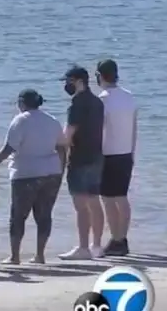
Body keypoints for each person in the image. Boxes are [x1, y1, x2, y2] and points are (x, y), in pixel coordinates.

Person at [0, 89, 67, 264]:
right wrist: (61, 170)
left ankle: (15, 256)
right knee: (44, 215)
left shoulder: (20, 120)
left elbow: (9, 148)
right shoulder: (52, 120)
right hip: (51, 173)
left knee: (18, 216)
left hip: (25, 174)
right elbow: (61, 148)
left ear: (21, 103)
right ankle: (40, 255)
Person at [58, 66, 106, 260]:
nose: (65, 85)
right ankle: (97, 245)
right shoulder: (97, 102)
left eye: (68, 81)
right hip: (97, 156)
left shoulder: (77, 104)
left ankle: (83, 247)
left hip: (80, 158)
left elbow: (67, 136)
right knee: (94, 201)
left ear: (78, 81)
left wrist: (56, 145)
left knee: (81, 205)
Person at [96, 59, 136, 256]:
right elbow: (134, 127)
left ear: (100, 76)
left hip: (108, 153)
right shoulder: (129, 97)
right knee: (122, 197)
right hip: (126, 152)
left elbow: (99, 130)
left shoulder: (103, 99)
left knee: (109, 199)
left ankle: (116, 239)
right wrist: (132, 151)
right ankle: (122, 238)